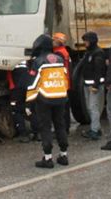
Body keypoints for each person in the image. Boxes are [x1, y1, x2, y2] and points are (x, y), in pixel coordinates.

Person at [25, 34, 69, 168]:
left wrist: (28, 103)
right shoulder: (60, 59)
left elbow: (33, 84)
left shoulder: (38, 61)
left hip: (45, 99)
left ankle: (48, 158)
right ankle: (63, 155)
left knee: (45, 127)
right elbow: (65, 78)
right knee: (60, 125)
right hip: (61, 97)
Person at [80, 32, 106, 140]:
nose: (85, 43)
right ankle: (97, 128)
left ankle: (94, 131)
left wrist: (95, 85)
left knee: (93, 107)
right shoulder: (89, 52)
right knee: (90, 108)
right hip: (88, 84)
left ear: (91, 41)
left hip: (94, 86)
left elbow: (98, 70)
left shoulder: (97, 53)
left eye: (86, 41)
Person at [52, 32, 72, 134]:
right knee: (65, 107)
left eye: (54, 40)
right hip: (65, 83)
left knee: (61, 109)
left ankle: (63, 129)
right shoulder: (64, 52)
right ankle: (65, 128)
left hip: (61, 83)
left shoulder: (58, 53)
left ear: (58, 41)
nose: (52, 42)